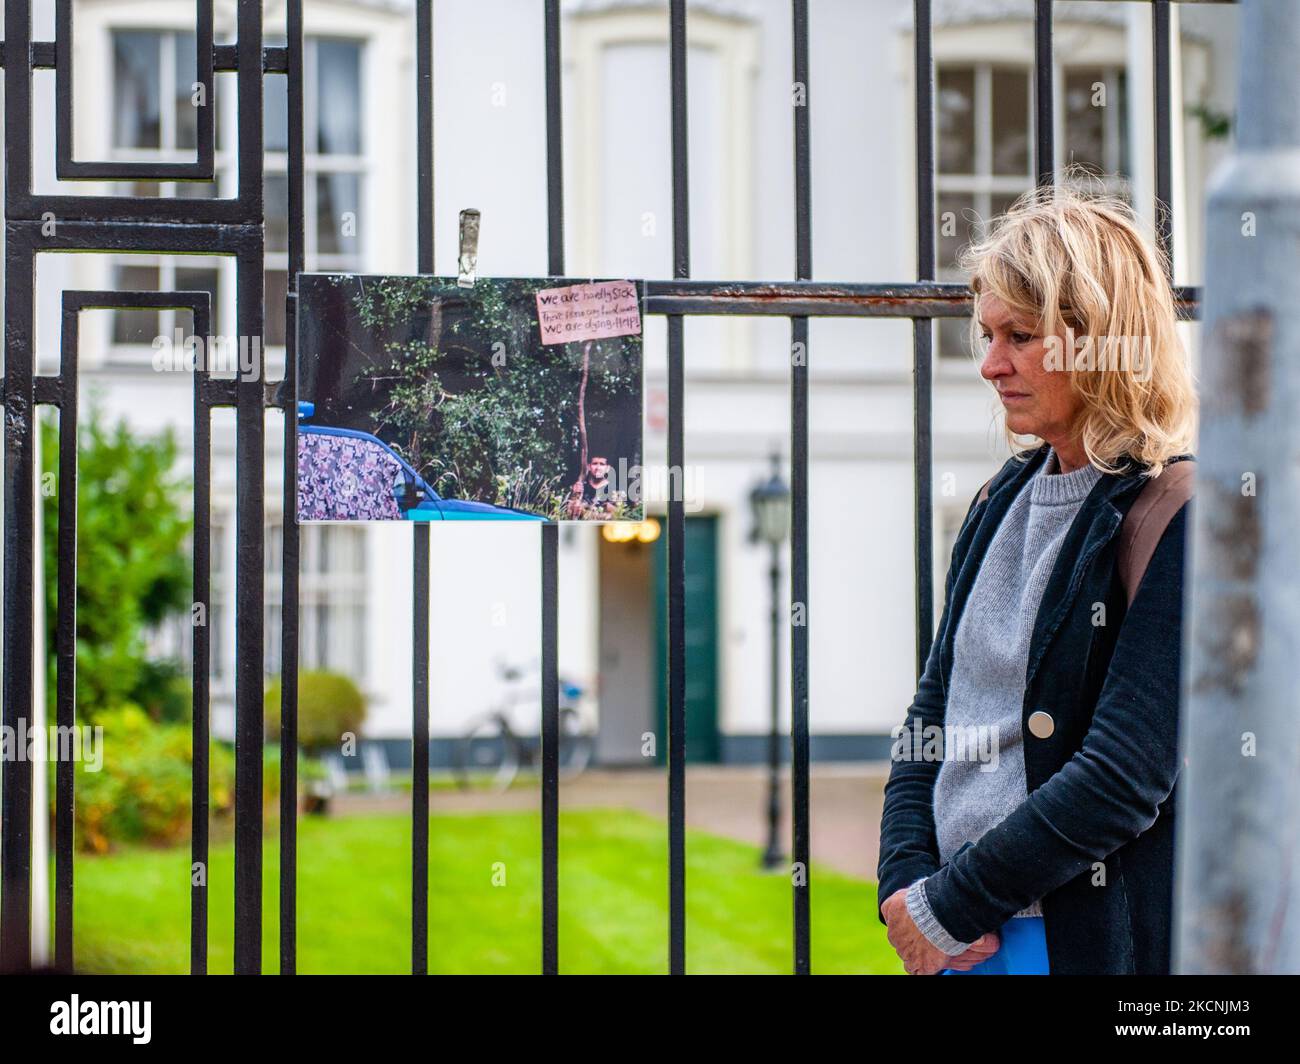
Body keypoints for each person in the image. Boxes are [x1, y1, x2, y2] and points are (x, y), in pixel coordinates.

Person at [876, 179, 1198, 976]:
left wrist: (953, 904)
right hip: (963, 934)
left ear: (1098, 337)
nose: (990, 365)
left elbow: (1123, 775)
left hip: (1072, 943)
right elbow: (933, 710)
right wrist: (908, 880)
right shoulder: (997, 499)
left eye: (1019, 336)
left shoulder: (1179, 509)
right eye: (987, 335)